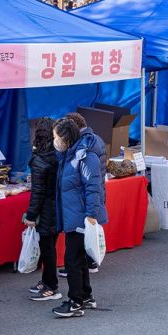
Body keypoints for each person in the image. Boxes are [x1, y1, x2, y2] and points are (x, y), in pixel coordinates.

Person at [51, 117, 107, 318]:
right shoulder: (70, 154)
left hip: (81, 216)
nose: (54, 141)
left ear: (65, 137)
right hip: (74, 215)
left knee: (72, 259)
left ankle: (75, 302)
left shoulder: (84, 156)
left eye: (56, 137)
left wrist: (91, 215)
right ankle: (85, 296)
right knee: (79, 258)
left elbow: (93, 187)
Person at [63, 112, 106, 275]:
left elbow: (89, 180)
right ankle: (91, 261)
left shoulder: (85, 147)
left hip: (87, 196)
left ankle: (86, 265)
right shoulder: (96, 139)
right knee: (87, 234)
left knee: (81, 238)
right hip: (96, 192)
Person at [24, 118, 61, 300]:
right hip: (58, 208)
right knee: (50, 247)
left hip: (47, 210)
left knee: (47, 248)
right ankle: (46, 280)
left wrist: (31, 215)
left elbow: (37, 192)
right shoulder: (59, 154)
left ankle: (51, 286)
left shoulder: (40, 160)